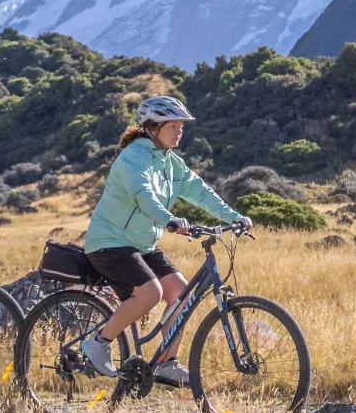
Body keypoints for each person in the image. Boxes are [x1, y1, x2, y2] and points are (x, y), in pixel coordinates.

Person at [79, 95, 251, 386]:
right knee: (150, 293)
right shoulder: (133, 157)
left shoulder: (171, 163)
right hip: (109, 241)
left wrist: (233, 215)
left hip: (142, 244)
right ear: (152, 127)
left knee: (182, 295)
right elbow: (143, 195)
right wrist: (169, 219)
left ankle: (166, 363)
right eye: (173, 125)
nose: (179, 131)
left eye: (181, 126)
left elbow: (200, 191)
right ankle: (98, 342)